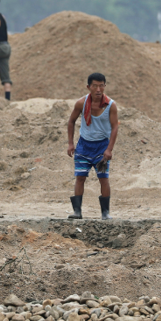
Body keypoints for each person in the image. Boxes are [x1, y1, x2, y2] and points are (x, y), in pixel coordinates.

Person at [66, 73, 119, 220]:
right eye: (95, 86)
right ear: (88, 87)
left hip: (101, 146)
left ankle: (105, 213)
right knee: (80, 177)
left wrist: (109, 149)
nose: (98, 89)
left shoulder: (110, 105)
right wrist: (71, 143)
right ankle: (77, 211)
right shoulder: (81, 103)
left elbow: (115, 127)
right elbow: (71, 121)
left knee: (103, 178)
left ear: (105, 86)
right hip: (83, 145)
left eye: (101, 85)